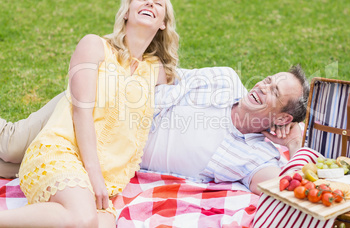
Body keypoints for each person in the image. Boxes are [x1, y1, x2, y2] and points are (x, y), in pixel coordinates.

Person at [0, 0, 179, 228]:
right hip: (60, 152)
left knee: (100, 224)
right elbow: (81, 114)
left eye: (158, 3)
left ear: (163, 24)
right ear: (126, 12)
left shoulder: (156, 71)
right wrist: (94, 177)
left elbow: (192, 83)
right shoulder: (95, 46)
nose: (150, 2)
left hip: (105, 178)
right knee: (83, 217)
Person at [1, 65, 309, 195]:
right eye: (268, 80)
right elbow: (166, 72)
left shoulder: (256, 155)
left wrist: (296, 147)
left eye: (274, 92)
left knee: (10, 168)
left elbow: (283, 192)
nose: (262, 86)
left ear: (282, 118)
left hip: (104, 155)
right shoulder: (225, 79)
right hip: (100, 107)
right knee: (11, 145)